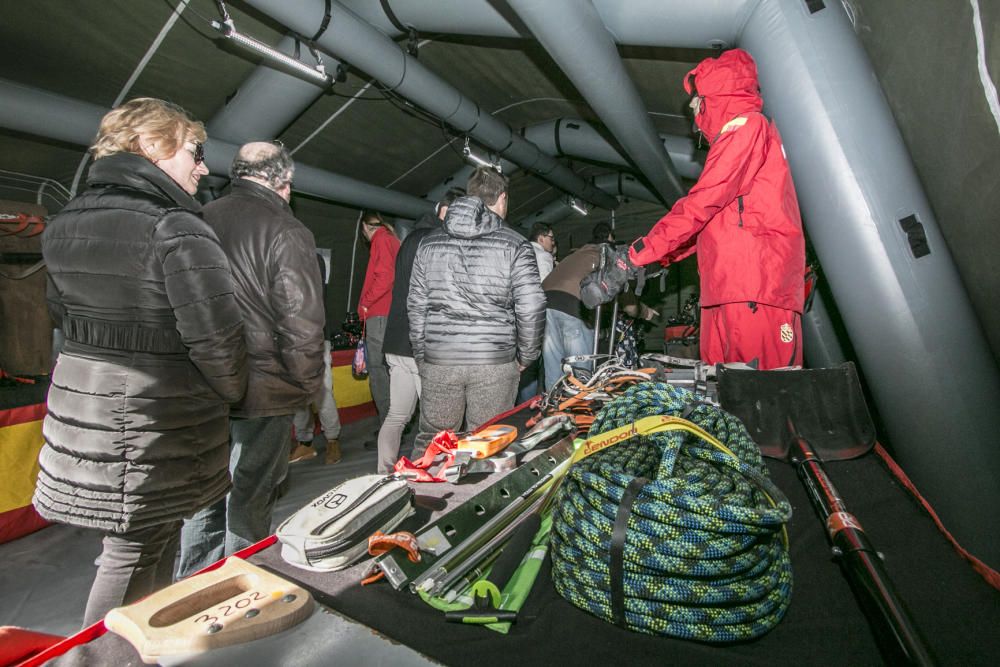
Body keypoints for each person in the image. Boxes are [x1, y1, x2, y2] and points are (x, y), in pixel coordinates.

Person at [34, 98, 247, 625]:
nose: (202, 166)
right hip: (157, 417)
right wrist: (232, 391)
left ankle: (137, 652)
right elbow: (217, 340)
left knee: (143, 543)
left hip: (86, 411)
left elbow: (61, 314)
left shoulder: (64, 223)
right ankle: (98, 659)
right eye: (194, 152)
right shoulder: (175, 226)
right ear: (151, 146)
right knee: (133, 555)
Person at [598, 49, 805, 370]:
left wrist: (634, 256)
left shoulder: (748, 127)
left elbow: (703, 201)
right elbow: (710, 221)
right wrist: (657, 261)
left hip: (755, 289)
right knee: (722, 402)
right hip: (726, 292)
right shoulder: (735, 138)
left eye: (696, 102)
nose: (693, 112)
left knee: (766, 400)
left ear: (714, 97)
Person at [177, 141, 325, 577]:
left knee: (203, 494)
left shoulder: (196, 220)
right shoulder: (286, 230)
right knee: (250, 493)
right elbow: (300, 320)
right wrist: (305, 385)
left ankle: (191, 587)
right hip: (263, 386)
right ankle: (239, 585)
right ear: (286, 181)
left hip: (202, 381)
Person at [408, 167, 545, 458]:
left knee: (433, 443)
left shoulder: (428, 243)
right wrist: (527, 356)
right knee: (488, 444)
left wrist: (423, 354)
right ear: (503, 198)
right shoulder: (516, 244)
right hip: (493, 360)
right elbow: (531, 306)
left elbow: (416, 305)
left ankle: (423, 499)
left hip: (439, 359)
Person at [376, 188, 463, 473]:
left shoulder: (410, 238)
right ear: (446, 211)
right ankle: (433, 475)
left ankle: (384, 473)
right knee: (438, 418)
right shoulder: (439, 241)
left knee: (397, 415)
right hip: (420, 344)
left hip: (395, 341)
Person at [541, 223, 614, 390]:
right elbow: (616, 284)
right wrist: (643, 312)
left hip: (545, 302)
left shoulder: (577, 254)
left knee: (553, 366)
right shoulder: (605, 254)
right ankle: (578, 408)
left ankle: (553, 408)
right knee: (580, 370)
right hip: (572, 304)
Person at [289, 252, 343, 465]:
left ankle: (332, 439)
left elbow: (311, 296)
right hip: (292, 337)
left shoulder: (312, 257)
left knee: (322, 389)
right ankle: (305, 442)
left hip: (315, 335)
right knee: (298, 392)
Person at [357, 211, 400, 437]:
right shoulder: (393, 239)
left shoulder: (380, 240)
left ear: (365, 227)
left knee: (379, 373)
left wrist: (365, 303)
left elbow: (384, 276)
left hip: (379, 315)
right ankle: (395, 425)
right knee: (393, 371)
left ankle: (388, 429)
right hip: (391, 314)